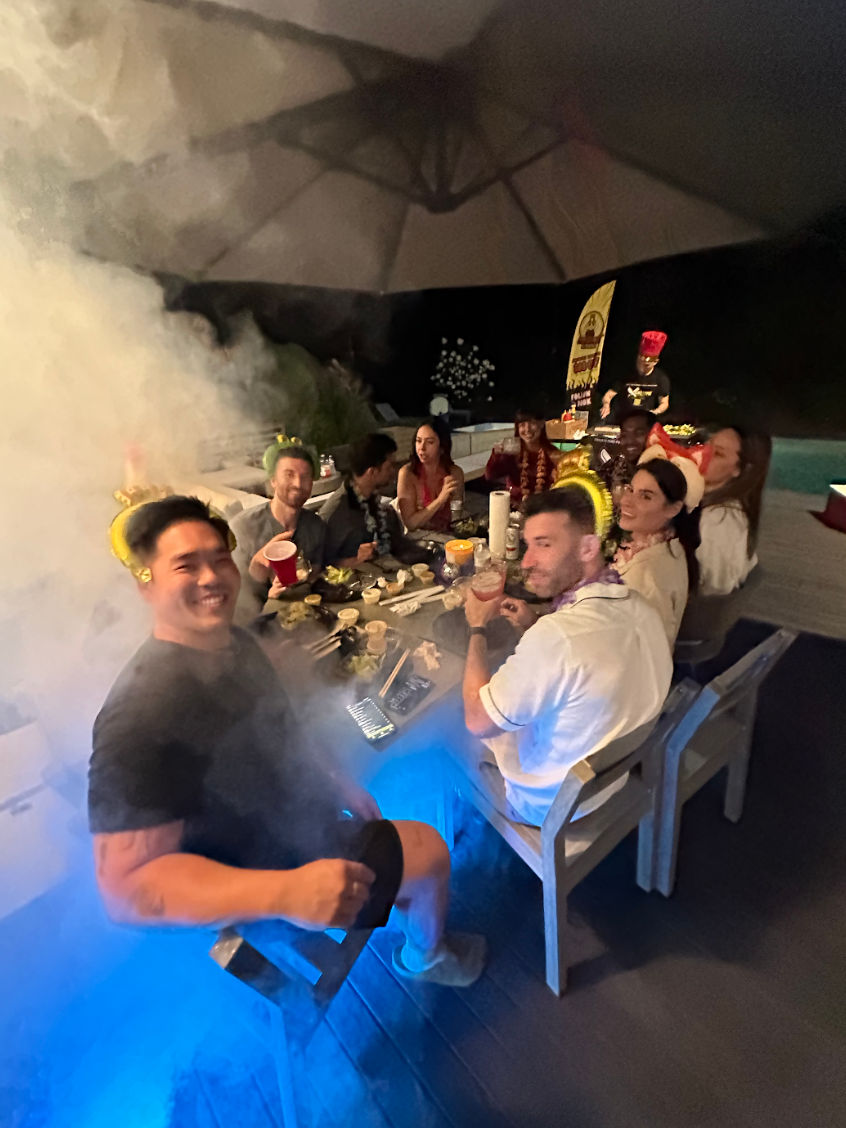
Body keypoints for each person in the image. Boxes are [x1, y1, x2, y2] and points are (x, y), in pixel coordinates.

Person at [89, 496, 485, 986]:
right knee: (430, 851)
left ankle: (402, 904)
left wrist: (336, 778)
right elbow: (124, 890)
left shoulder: (233, 645)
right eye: (186, 565)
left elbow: (281, 724)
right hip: (258, 879)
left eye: (218, 559)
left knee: (390, 803)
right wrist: (285, 892)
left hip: (292, 821)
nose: (211, 576)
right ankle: (425, 959)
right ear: (145, 583)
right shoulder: (138, 717)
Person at [460, 488, 672, 828]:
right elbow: (583, 655)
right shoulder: (642, 608)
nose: (527, 562)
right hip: (612, 779)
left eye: (544, 544)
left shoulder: (558, 638)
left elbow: (476, 718)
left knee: (452, 738)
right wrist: (535, 625)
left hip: (551, 807)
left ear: (588, 547)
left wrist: (476, 628)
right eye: (528, 545)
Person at [230, 436, 326, 621]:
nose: (298, 484)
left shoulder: (316, 526)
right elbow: (235, 604)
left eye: (305, 477)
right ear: (273, 480)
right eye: (289, 475)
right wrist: (267, 589)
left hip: (311, 618)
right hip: (262, 627)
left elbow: (315, 573)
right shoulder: (243, 527)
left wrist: (307, 577)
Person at [611, 459, 701, 645]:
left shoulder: (648, 578)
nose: (626, 501)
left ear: (673, 509)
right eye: (630, 490)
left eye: (645, 496)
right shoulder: (670, 547)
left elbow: (649, 652)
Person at [697, 426, 771, 595]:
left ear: (741, 469)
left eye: (718, 454)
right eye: (706, 446)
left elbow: (712, 592)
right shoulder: (721, 510)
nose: (703, 454)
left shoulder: (715, 522)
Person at [320, 432, 405, 567]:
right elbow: (320, 565)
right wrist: (356, 559)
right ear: (372, 472)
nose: (393, 471)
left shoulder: (372, 498)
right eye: (389, 467)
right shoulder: (336, 512)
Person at [397, 418, 465, 533]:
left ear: (442, 447)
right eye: (418, 441)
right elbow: (411, 523)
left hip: (447, 535)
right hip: (418, 538)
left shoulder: (454, 473)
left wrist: (453, 498)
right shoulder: (408, 474)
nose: (422, 448)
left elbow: (457, 515)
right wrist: (440, 500)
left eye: (430, 442)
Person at [484, 408, 562, 507]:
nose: (527, 429)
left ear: (541, 424)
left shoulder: (552, 454)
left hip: (542, 509)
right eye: (522, 425)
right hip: (513, 509)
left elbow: (559, 488)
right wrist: (496, 454)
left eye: (532, 423)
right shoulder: (512, 452)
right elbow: (490, 476)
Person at [600, 330, 671, 419]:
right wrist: (606, 405)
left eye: (647, 364)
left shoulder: (661, 378)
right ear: (638, 357)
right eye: (642, 360)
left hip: (644, 419)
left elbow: (664, 402)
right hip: (621, 418)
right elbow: (609, 395)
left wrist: (655, 412)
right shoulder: (626, 374)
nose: (644, 363)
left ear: (656, 362)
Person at [595, 406, 656, 503]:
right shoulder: (613, 468)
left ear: (654, 435)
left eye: (639, 433)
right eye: (624, 435)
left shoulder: (663, 475)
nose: (630, 441)